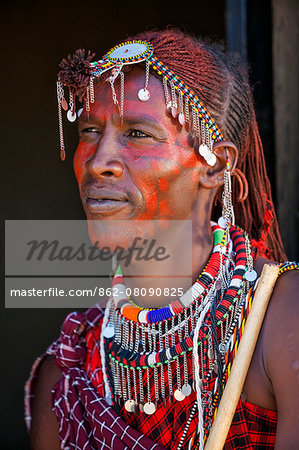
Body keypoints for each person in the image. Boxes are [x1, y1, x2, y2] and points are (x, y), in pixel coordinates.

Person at [25, 29, 299, 449]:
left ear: (213, 166)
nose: (99, 163)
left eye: (137, 133)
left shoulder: (281, 321)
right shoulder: (71, 366)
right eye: (89, 132)